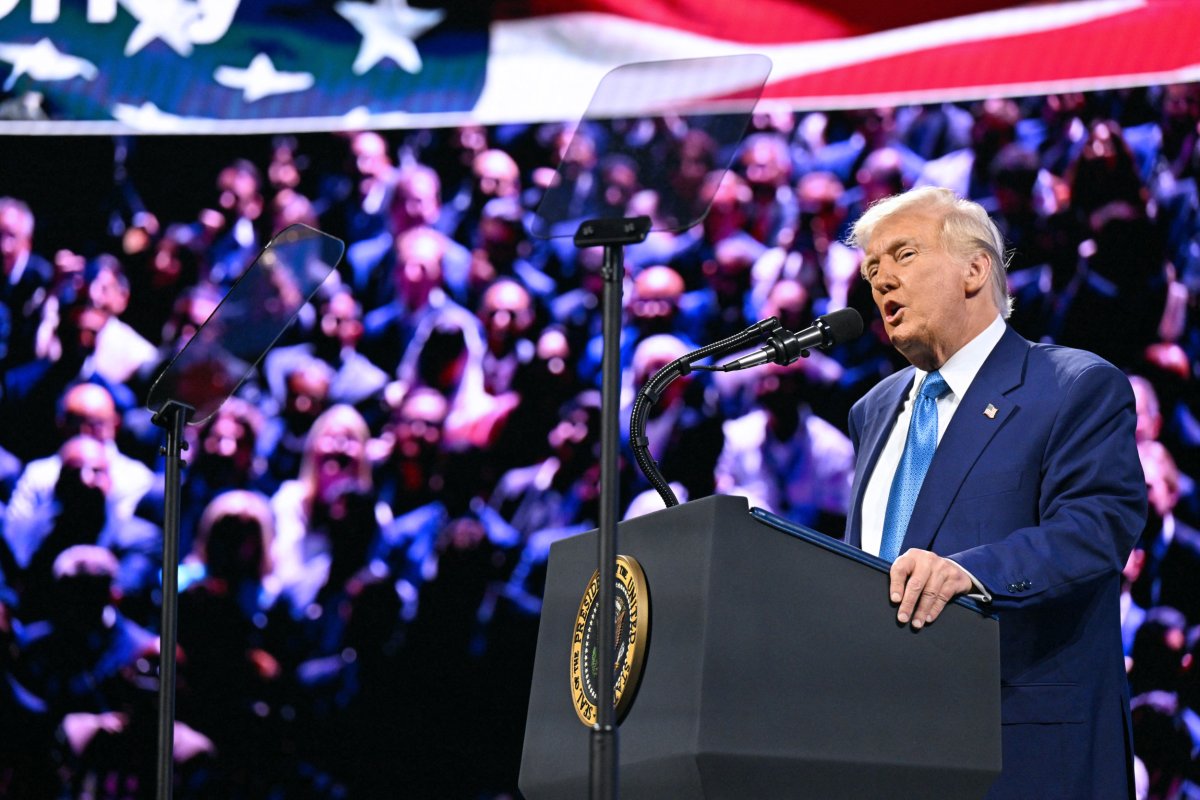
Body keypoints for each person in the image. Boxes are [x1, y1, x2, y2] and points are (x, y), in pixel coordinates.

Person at [844, 186, 1146, 799]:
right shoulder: (873, 410)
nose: (882, 283)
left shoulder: (1072, 385)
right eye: (873, 270)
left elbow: (1097, 528)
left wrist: (967, 574)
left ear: (976, 269)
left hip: (1019, 748)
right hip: (885, 742)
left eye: (903, 255)